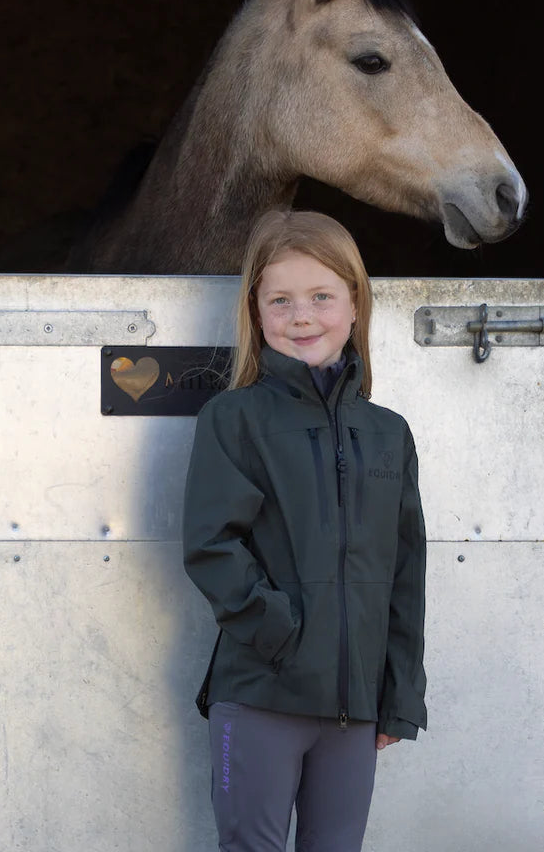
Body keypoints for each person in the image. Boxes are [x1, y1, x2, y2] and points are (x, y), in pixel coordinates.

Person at [182, 209, 427, 852]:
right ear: (257, 313)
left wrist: (399, 692)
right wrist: (284, 635)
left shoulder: (388, 433)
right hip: (263, 692)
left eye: (322, 296)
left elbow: (405, 569)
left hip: (355, 709)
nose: (302, 316)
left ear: (354, 306)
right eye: (280, 300)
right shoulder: (233, 420)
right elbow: (212, 546)